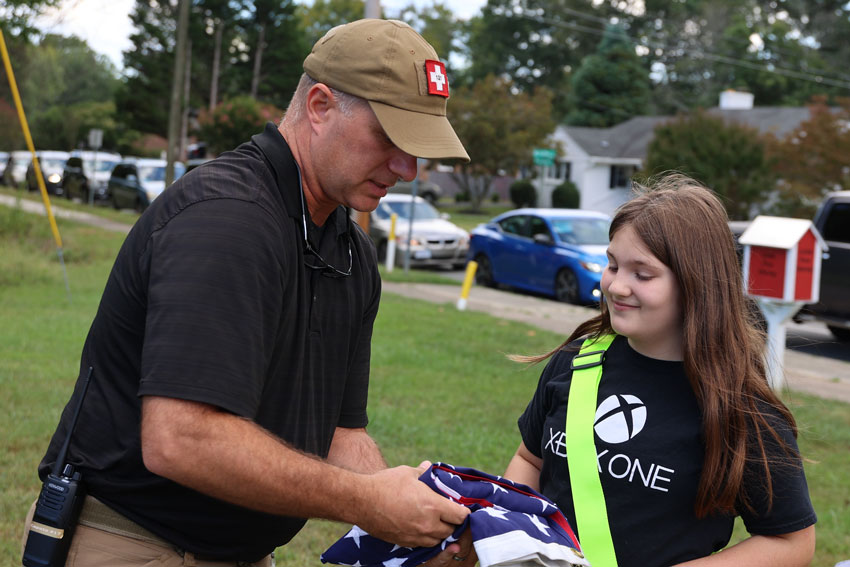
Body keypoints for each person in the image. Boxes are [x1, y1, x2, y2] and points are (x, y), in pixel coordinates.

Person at [23, 19, 474, 566]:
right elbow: (180, 440)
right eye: (391, 139)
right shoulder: (229, 220)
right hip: (137, 542)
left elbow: (339, 435)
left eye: (418, 149)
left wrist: (425, 517)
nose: (408, 169)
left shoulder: (349, 251)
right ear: (320, 106)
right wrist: (368, 501)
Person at [502, 175, 817, 566]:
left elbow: (792, 541)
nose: (617, 286)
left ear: (696, 285)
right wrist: (511, 535)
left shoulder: (739, 407)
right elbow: (530, 459)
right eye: (613, 265)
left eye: (642, 274)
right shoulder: (575, 360)